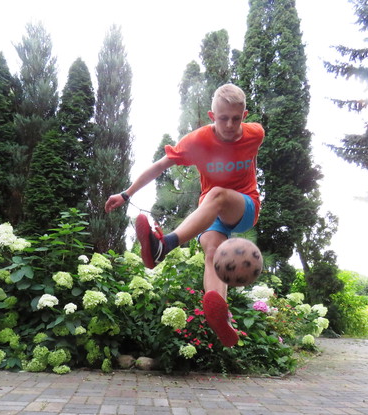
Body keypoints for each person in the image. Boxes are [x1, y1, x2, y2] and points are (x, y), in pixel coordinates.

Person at [105, 83, 264, 347]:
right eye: (223, 118)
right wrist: (126, 194)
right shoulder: (198, 141)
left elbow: (251, 155)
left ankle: (164, 245)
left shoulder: (255, 133)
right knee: (213, 251)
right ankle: (222, 318)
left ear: (244, 116)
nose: (229, 125)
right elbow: (160, 166)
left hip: (245, 205)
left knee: (218, 194)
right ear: (212, 116)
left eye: (236, 119)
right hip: (210, 210)